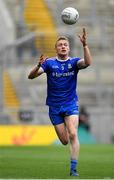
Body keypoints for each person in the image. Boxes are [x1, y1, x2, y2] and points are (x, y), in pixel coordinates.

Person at [28, 28, 92, 176]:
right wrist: (38, 65)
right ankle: (72, 164)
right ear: (56, 48)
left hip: (70, 104)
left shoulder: (74, 62)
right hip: (54, 107)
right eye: (60, 45)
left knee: (73, 134)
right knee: (64, 140)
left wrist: (85, 45)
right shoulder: (49, 63)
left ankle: (73, 168)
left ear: (69, 48)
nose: (63, 46)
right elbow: (31, 76)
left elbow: (88, 62)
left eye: (65, 44)